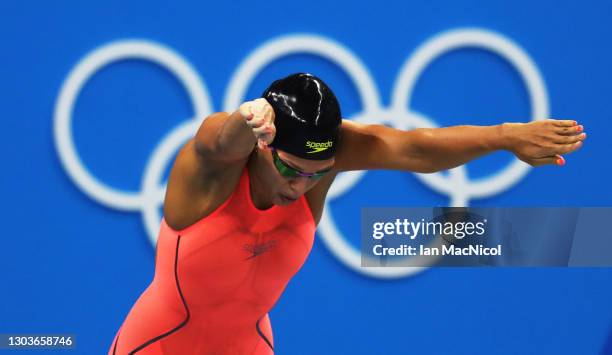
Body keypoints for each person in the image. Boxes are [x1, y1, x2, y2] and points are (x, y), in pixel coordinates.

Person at [108, 73, 586, 354]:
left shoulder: (324, 158)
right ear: (262, 145)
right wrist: (244, 119)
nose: (301, 187)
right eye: (292, 171)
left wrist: (506, 136)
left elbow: (415, 149)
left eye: (318, 174)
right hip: (159, 343)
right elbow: (216, 139)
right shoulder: (212, 171)